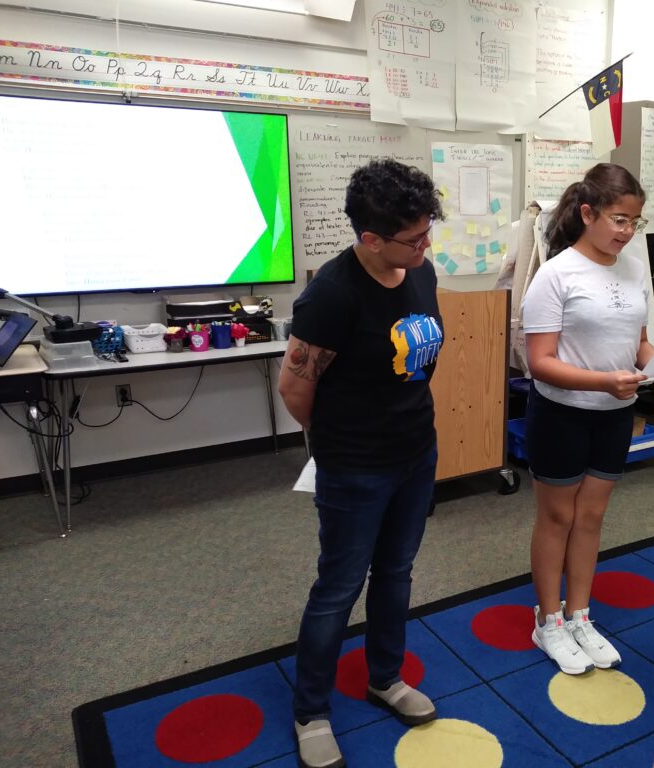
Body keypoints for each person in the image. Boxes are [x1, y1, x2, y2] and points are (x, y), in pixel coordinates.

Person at [278, 159, 444, 768]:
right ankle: (311, 711)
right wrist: (342, 447)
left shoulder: (418, 271)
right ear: (370, 238)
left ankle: (384, 678)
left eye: (429, 232)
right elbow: (294, 390)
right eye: (414, 237)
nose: (426, 246)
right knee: (338, 588)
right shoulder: (332, 293)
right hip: (354, 466)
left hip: (414, 454)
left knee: (396, 573)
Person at [521, 163, 654, 675]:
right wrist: (602, 381)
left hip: (615, 413)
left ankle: (580, 615)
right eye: (618, 220)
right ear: (588, 213)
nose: (626, 232)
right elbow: (539, 361)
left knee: (592, 518)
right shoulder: (555, 274)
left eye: (634, 223)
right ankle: (547, 620)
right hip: (561, 413)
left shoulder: (634, 270)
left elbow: (637, 341)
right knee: (558, 517)